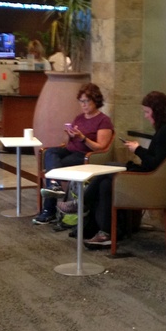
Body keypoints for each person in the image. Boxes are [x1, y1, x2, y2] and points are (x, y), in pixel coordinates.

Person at [83, 91, 166, 247]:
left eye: (147, 112)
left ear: (157, 111)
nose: (145, 116)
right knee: (107, 176)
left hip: (152, 182)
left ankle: (84, 204)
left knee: (108, 175)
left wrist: (137, 149)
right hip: (155, 178)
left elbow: (154, 163)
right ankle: (106, 231)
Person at [32, 83, 113, 225]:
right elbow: (65, 143)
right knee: (50, 152)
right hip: (70, 150)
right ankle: (54, 187)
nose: (83, 105)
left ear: (96, 101)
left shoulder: (103, 120)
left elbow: (101, 147)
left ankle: (48, 210)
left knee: (55, 168)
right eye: (81, 101)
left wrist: (83, 138)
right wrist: (69, 135)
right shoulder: (79, 118)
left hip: (85, 155)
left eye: (87, 101)